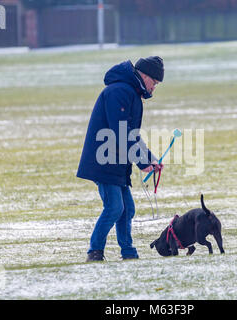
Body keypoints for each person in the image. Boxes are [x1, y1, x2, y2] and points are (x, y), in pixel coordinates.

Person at [77, 56, 165, 262]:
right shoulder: (119, 92)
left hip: (117, 163)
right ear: (144, 76)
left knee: (127, 209)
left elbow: (132, 135)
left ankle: (128, 252)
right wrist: (142, 162)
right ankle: (94, 251)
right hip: (103, 161)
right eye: (155, 82)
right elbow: (121, 132)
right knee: (115, 207)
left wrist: (150, 158)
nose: (154, 88)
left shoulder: (131, 93)